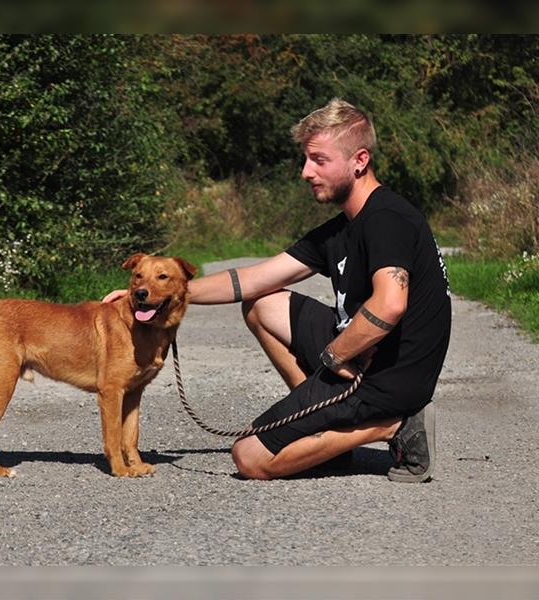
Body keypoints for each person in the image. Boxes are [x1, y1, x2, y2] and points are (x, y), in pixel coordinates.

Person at [105, 98, 451, 482]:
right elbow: (253, 280)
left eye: (319, 160)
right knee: (262, 303)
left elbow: (389, 304)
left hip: (389, 376)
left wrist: (334, 355)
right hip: (361, 350)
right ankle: (322, 432)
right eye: (305, 160)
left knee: (249, 457)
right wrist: (162, 294)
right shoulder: (344, 226)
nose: (306, 172)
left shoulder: (386, 219)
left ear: (359, 160)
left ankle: (394, 426)